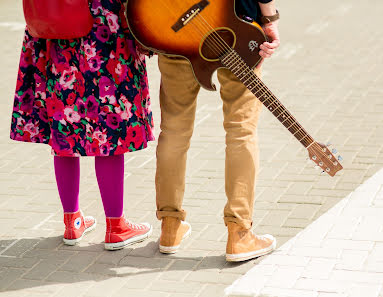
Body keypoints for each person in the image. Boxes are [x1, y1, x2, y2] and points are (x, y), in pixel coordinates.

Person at [10, 0, 155, 250]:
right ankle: (116, 226)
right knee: (109, 131)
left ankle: (72, 222)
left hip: (58, 28)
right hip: (105, 32)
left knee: (64, 124)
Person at [155, 0, 280, 261]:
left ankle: (170, 226)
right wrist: (270, 19)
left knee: (174, 131)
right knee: (241, 130)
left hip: (173, 27)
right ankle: (239, 234)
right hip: (236, 26)